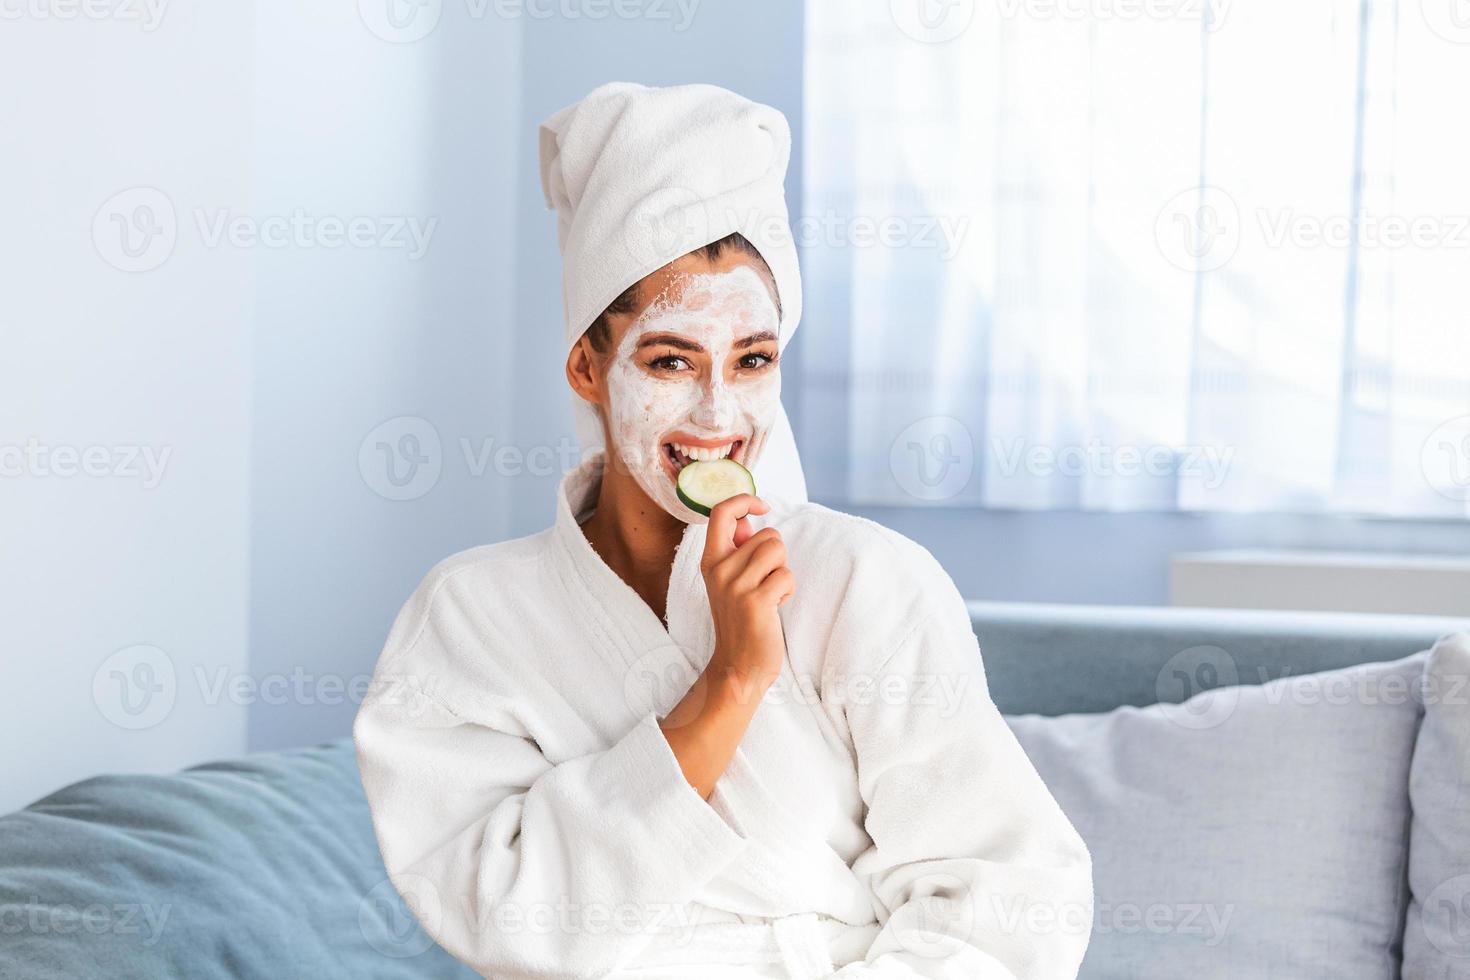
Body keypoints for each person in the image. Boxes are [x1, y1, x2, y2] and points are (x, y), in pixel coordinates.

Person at [354, 81, 1093, 980]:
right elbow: (508, 919)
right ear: (588, 365)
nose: (719, 411)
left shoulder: (867, 582)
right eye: (670, 359)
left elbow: (1008, 900)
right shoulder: (471, 616)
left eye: (752, 360)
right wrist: (732, 680)